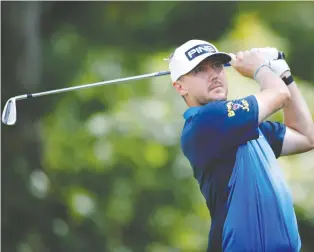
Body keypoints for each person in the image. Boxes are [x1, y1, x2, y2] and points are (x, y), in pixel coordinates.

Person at [167, 39, 314, 252]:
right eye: (199, 70)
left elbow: (306, 136)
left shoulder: (246, 128)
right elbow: (279, 95)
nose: (213, 74)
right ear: (180, 86)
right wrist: (260, 68)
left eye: (217, 65)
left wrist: (284, 74)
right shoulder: (206, 121)